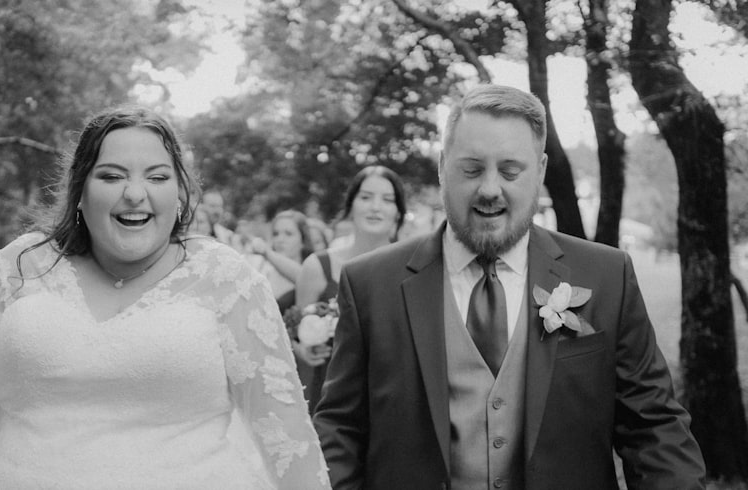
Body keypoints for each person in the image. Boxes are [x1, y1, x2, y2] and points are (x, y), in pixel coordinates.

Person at [0, 105, 330, 489]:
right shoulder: (17, 268)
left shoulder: (227, 278)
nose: (134, 193)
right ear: (80, 191)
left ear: (179, 194)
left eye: (157, 176)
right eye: (112, 175)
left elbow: (283, 427)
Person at [312, 84, 705, 489]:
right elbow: (340, 431)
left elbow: (653, 428)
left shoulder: (607, 275)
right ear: (443, 166)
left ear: (542, 170)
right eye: (471, 169)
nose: (489, 189)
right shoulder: (370, 284)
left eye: (510, 170)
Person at [294, 165, 407, 414]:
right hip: (329, 399)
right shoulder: (317, 267)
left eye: (387, 200)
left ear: (398, 212)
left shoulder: (412, 268)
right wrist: (304, 349)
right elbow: (296, 334)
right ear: (351, 205)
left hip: (392, 400)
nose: (375, 207)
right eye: (366, 197)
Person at [248, 210, 315, 314]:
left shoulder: (311, 271)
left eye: (288, 234)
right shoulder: (260, 269)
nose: (280, 239)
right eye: (276, 234)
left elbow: (303, 278)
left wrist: (266, 252)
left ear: (303, 240)